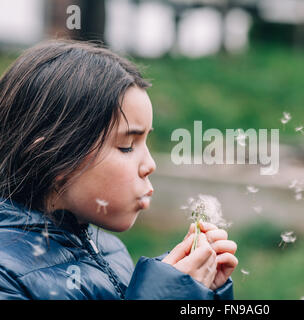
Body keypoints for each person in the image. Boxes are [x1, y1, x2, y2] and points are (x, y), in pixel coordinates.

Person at [0, 39, 238, 300]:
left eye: (146, 141)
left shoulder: (110, 251)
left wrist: (196, 290)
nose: (150, 164)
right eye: (127, 146)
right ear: (54, 155)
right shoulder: (6, 276)